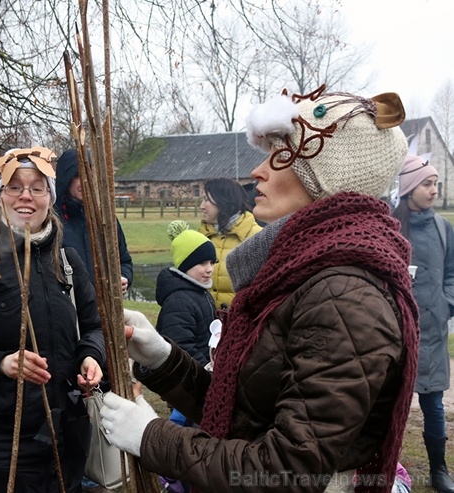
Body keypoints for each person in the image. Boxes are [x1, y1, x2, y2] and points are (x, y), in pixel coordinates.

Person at [99, 86, 419, 493]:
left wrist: (151, 437)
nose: (257, 172)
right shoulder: (299, 274)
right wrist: (162, 358)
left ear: (327, 180)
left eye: (280, 156)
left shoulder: (345, 295)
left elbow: (286, 470)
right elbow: (247, 410)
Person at [0, 146, 106, 493]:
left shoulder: (67, 260)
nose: (26, 196)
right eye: (14, 187)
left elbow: (93, 327)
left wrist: (91, 356)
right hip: (1, 446)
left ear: (50, 196)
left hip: (66, 437)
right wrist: (2, 363)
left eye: (37, 187)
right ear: (0, 196)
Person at [392, 154, 454, 493]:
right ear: (409, 187)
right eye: (427, 184)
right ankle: (387, 464)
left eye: (435, 184)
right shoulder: (389, 226)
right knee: (391, 402)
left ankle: (439, 469)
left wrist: (447, 303)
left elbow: (452, 273)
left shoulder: (444, 228)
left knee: (433, 403)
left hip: (433, 329)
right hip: (395, 332)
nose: (433, 190)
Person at [154, 220, 218, 493]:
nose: (209, 269)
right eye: (201, 263)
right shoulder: (180, 300)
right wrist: (206, 364)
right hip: (189, 382)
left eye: (212, 262)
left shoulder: (200, 293)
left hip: (202, 378)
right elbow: (177, 344)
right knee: (189, 436)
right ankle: (177, 479)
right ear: (184, 266)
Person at [54, 148, 133, 295]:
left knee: (138, 319)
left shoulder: (106, 219)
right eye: (78, 175)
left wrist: (124, 277)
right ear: (66, 178)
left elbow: (124, 261)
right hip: (70, 308)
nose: (85, 181)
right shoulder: (53, 222)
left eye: (89, 174)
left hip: (106, 307)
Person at [197, 177, 263, 309]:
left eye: (206, 200)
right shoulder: (200, 236)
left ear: (223, 201)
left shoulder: (257, 238)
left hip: (240, 323)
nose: (201, 206)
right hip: (206, 323)